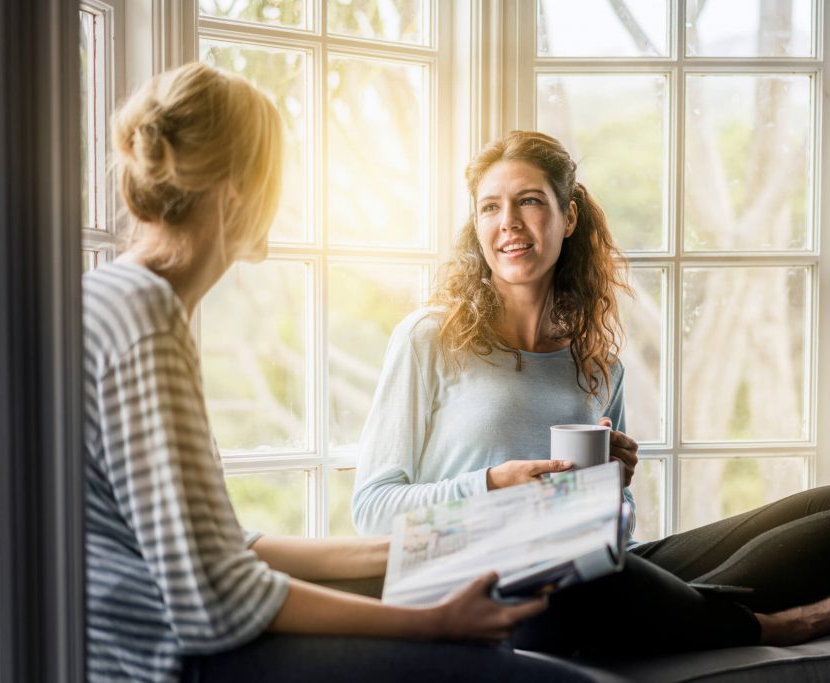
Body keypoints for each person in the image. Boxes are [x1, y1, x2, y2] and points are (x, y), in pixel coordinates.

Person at [83, 64, 591, 683]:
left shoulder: (120, 299)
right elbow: (217, 599)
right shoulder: (145, 318)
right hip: (167, 663)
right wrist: (432, 623)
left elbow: (230, 549)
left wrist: (453, 540)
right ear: (241, 193)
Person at [351, 130, 830, 655]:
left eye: (529, 201)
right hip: (484, 580)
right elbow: (372, 511)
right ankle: (776, 624)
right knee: (582, 570)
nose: (509, 224)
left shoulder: (598, 364)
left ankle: (679, 611)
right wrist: (496, 484)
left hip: (596, 571)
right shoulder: (431, 338)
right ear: (476, 225)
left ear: (567, 217)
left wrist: (609, 490)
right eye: (490, 207)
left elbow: (617, 528)